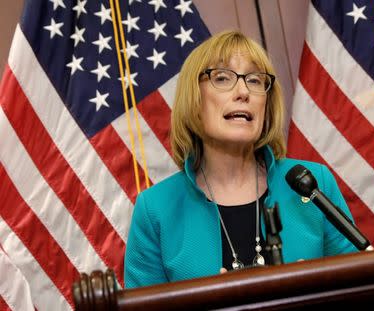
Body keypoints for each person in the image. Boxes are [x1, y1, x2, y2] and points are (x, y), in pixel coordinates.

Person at [124, 30, 358, 288]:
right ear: (194, 99)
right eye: (222, 78)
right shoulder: (154, 209)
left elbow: (361, 288)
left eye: (256, 80)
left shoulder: (313, 183)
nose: (243, 91)